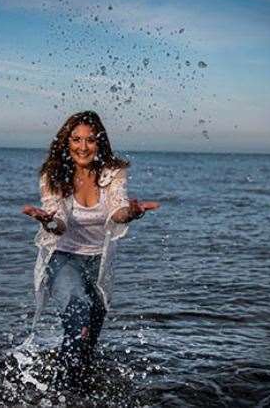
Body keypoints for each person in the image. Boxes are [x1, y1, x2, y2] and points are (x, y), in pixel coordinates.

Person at [22, 111, 159, 384]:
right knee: (77, 310)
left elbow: (116, 210)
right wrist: (47, 222)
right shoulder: (53, 174)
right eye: (76, 140)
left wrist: (131, 213)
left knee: (89, 338)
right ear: (66, 142)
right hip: (63, 258)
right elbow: (58, 222)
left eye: (90, 140)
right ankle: (60, 389)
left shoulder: (113, 172)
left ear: (100, 143)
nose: (83, 147)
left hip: (100, 262)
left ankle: (77, 386)